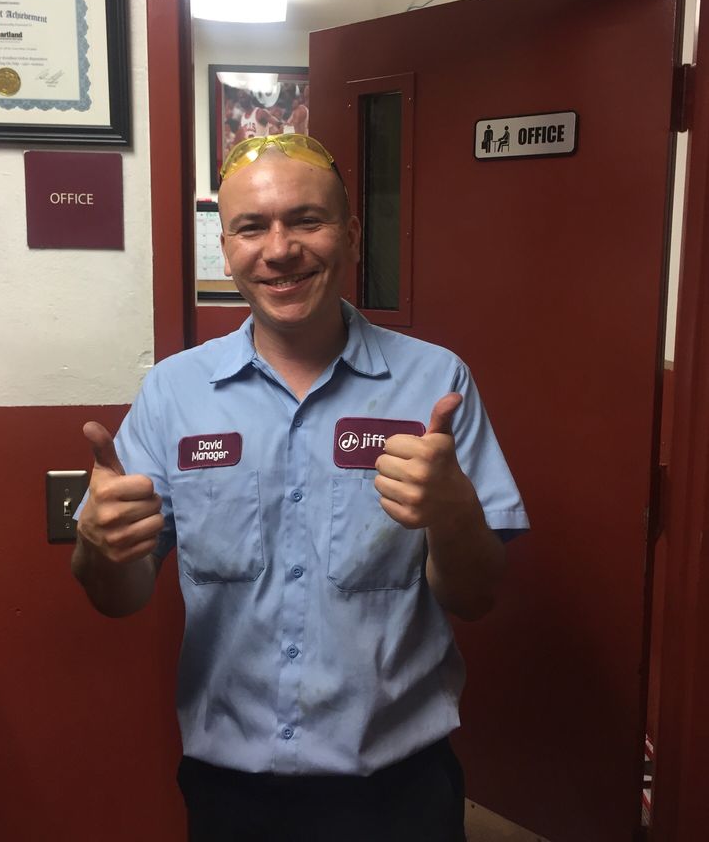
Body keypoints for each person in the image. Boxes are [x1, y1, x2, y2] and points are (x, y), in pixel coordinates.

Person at [72, 133, 529, 842]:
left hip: (400, 793)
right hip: (232, 795)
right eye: (252, 227)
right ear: (226, 249)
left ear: (351, 235)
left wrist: (454, 514)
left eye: (306, 221)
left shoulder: (436, 381)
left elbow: (475, 597)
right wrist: (98, 548)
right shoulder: (173, 393)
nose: (279, 249)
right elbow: (118, 597)